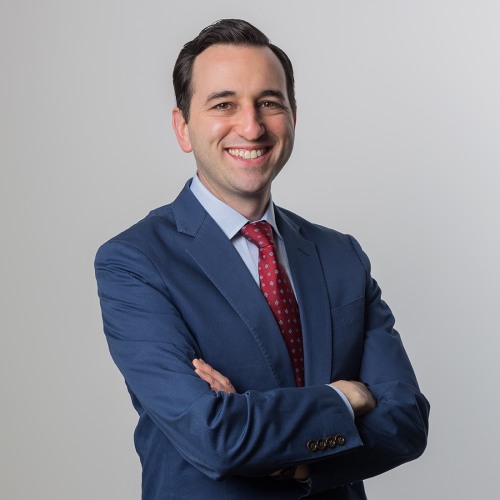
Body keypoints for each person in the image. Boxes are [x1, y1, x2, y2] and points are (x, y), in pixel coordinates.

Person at [95, 19, 429, 499]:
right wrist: (346, 397)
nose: (251, 126)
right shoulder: (135, 262)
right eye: (223, 104)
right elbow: (214, 436)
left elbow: (406, 422)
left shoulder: (342, 256)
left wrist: (294, 466)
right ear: (182, 127)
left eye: (269, 103)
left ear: (293, 117)